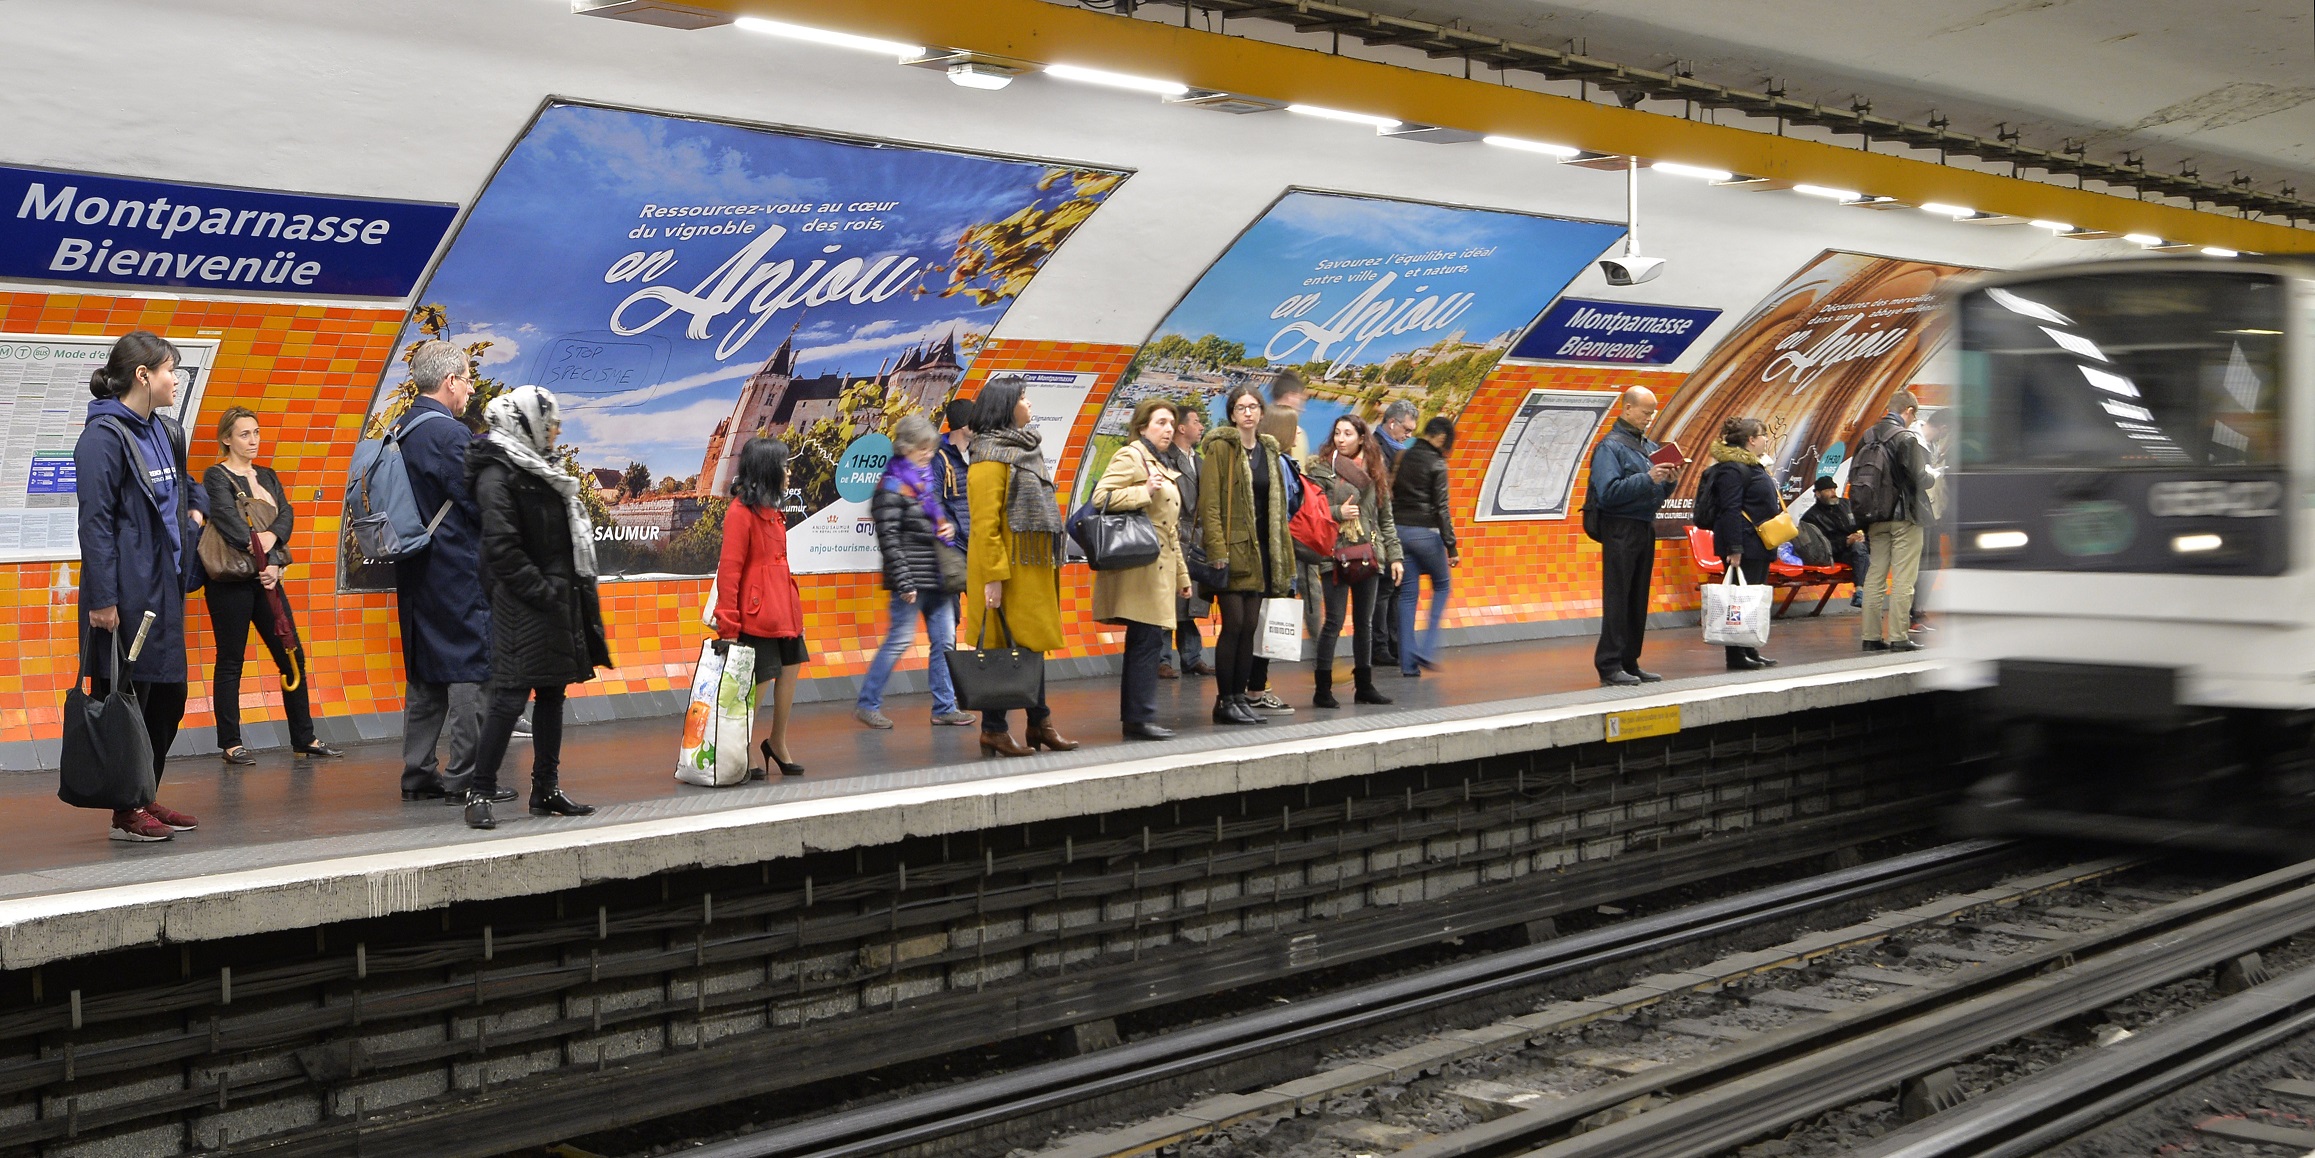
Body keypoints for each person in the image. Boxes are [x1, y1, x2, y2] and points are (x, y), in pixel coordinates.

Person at [75, 331, 207, 842]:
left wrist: (196, 511)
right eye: (171, 369)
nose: (177, 379)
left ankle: (144, 793)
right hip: (127, 594)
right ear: (143, 375)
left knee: (169, 697)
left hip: (165, 587)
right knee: (126, 697)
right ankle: (125, 810)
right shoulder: (102, 439)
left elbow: (185, 483)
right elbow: (95, 522)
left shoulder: (166, 431)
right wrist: (104, 599)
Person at [461, 386, 608, 830]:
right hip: (522, 600)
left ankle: (545, 788)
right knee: (509, 695)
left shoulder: (541, 467)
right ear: (524, 422)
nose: (557, 430)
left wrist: (561, 591)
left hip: (554, 597)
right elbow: (502, 548)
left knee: (551, 693)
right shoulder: (497, 472)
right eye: (550, 422)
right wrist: (544, 591)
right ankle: (479, 790)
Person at [203, 406, 339, 763]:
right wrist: (259, 547)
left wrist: (273, 558)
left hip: (268, 579)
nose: (253, 440)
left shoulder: (268, 474)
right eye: (245, 434)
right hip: (231, 581)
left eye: (256, 433)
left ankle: (303, 738)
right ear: (226, 439)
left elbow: (287, 514)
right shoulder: (216, 475)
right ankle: (231, 742)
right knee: (231, 660)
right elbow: (228, 521)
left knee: (291, 654)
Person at [393, 340, 490, 803]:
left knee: (424, 670)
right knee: (470, 666)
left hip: (413, 568)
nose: (470, 389)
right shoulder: (450, 436)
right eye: (468, 379)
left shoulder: (400, 429)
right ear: (450, 381)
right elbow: (480, 502)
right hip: (455, 568)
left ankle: (417, 772)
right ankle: (466, 776)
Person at [965, 376, 1080, 757]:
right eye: (1023, 398)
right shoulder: (987, 456)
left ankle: (1039, 724)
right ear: (1005, 406)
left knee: (1030, 647)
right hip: (1006, 572)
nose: (1029, 404)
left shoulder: (1024, 449)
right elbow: (984, 524)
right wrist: (994, 578)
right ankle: (995, 729)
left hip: (1029, 568)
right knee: (1003, 650)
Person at [858, 414, 973, 729]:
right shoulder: (891, 486)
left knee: (945, 642)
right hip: (911, 580)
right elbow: (889, 539)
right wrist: (904, 582)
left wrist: (944, 527)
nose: (928, 454)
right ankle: (868, 703)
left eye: (931, 448)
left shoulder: (923, 481)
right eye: (922, 448)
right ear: (904, 447)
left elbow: (929, 522)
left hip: (937, 577)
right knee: (898, 641)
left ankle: (945, 707)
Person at [1090, 399, 1192, 740]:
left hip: (1159, 569)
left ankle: (1140, 717)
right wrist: (1142, 491)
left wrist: (1182, 577)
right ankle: (1138, 719)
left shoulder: (1161, 462)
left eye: (1171, 423)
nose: (1168, 429)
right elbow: (1100, 497)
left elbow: (1170, 529)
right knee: (1145, 644)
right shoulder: (1131, 456)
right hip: (1139, 569)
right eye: (1161, 422)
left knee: (1148, 642)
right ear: (1142, 426)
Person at [1197, 383, 1296, 725]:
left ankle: (1239, 698)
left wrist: (1282, 550)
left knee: (1251, 626)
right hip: (1232, 548)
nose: (1249, 412)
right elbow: (1209, 503)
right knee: (1234, 623)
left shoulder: (1269, 452)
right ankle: (1224, 700)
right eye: (1241, 407)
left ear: (1262, 413)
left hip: (1263, 550)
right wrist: (1217, 549)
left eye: (1253, 406)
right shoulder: (1221, 449)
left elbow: (1278, 506)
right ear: (1232, 415)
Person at [715, 437, 810, 772]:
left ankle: (776, 742)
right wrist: (728, 622)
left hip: (782, 608)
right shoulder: (740, 512)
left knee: (790, 670)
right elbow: (729, 569)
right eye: (783, 466)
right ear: (768, 469)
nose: (788, 472)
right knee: (759, 682)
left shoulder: (772, 509)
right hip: (756, 614)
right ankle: (742, 750)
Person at [1305, 415, 1400, 708]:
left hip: (1368, 554)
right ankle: (1323, 690)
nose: (1340, 439)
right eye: (1337, 433)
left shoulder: (1374, 470)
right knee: (1333, 620)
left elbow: (1385, 519)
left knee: (1364, 622)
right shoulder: (1321, 469)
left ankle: (1365, 686)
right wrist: (1337, 512)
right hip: (1333, 555)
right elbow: (1310, 511)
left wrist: (1395, 556)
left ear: (1362, 438)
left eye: (1347, 433)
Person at [1587, 387, 1678, 687]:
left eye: (1652, 413)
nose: (1649, 419)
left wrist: (1668, 484)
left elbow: (1652, 493)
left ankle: (1630, 660)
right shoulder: (1609, 447)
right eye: (1645, 412)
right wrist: (1649, 477)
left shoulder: (1648, 446)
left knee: (1637, 597)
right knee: (1618, 596)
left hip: (1643, 525)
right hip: (1619, 527)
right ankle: (1609, 664)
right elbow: (1608, 493)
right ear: (1627, 409)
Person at [1696, 416, 1782, 671]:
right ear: (1751, 440)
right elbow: (1730, 509)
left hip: (1759, 542)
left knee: (1750, 598)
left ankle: (1750, 649)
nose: (1766, 439)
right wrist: (1735, 549)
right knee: (1737, 599)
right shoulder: (1732, 469)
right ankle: (1735, 655)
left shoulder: (1754, 466)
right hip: (1744, 543)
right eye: (1762, 434)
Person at [1248, 371, 1312, 712]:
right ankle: (1256, 689)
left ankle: (1253, 688)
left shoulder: (1258, 461)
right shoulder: (1283, 465)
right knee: (1268, 623)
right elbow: (1292, 504)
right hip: (1276, 555)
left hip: (1259, 555)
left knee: (1256, 623)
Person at [1859, 391, 1937, 654]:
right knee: (1904, 577)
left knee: (1875, 576)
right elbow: (1918, 478)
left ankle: (1870, 636)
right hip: (1904, 517)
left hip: (1875, 518)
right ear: (1909, 411)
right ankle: (1898, 637)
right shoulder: (1906, 438)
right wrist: (1932, 477)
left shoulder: (1867, 437)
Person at [1392, 416, 1459, 676]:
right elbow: (1442, 508)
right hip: (1424, 534)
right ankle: (1428, 649)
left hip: (1399, 532)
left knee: (1408, 597)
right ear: (1441, 438)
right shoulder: (1437, 464)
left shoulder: (1404, 456)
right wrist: (1451, 547)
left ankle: (1408, 664)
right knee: (1442, 586)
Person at [1156, 402, 1213, 680]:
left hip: (1199, 539)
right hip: (1175, 536)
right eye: (1196, 421)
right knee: (1170, 600)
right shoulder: (1166, 459)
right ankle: (1162, 659)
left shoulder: (1201, 461)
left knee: (1192, 601)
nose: (1201, 426)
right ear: (1182, 427)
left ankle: (1192, 658)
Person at [1370, 400, 1419, 670]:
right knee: (1385, 589)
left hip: (1394, 528)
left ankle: (1392, 643)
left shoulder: (1390, 448)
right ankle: (1380, 646)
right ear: (1392, 423)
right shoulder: (1377, 450)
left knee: (1394, 588)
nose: (1408, 436)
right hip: (1382, 529)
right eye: (1407, 430)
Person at [1800, 475, 1869, 609]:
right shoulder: (1811, 517)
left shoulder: (1846, 504)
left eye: (1834, 489)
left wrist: (1863, 535)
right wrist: (1846, 542)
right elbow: (1819, 548)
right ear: (1818, 494)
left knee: (1872, 547)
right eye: (1828, 490)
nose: (1833, 493)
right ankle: (1860, 591)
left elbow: (1862, 523)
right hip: (1837, 553)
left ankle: (1863, 593)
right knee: (1859, 549)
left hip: (1859, 547)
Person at [934, 398, 975, 552]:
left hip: (978, 543)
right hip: (955, 545)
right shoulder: (938, 457)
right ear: (964, 425)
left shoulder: (979, 453)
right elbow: (933, 498)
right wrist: (947, 526)